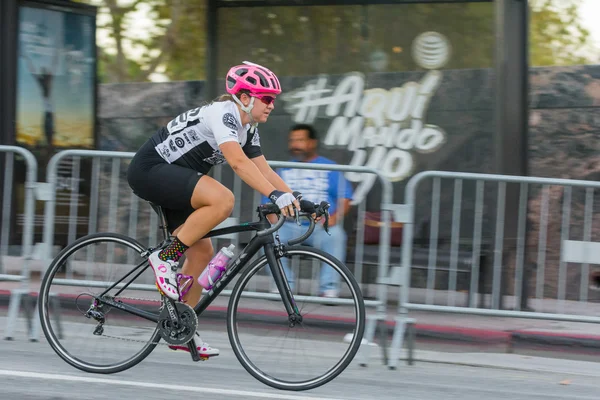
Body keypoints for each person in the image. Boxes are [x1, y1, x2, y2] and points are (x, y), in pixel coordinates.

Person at [127, 61, 302, 358]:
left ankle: (182, 329)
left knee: (201, 252)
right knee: (223, 199)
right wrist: (274, 195)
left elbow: (265, 170)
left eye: (274, 99)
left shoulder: (249, 128)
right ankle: (164, 257)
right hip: (151, 170)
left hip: (177, 178)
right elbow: (238, 163)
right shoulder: (224, 114)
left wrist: (296, 198)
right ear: (245, 97)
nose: (272, 105)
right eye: (268, 98)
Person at [266, 124, 353, 298]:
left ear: (312, 143)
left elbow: (346, 197)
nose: (295, 144)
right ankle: (284, 285)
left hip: (320, 226)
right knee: (268, 237)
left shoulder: (329, 167)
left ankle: (328, 288)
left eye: (300, 140)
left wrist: (334, 218)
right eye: (292, 140)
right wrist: (274, 222)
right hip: (289, 225)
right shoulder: (283, 168)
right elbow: (268, 200)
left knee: (336, 235)